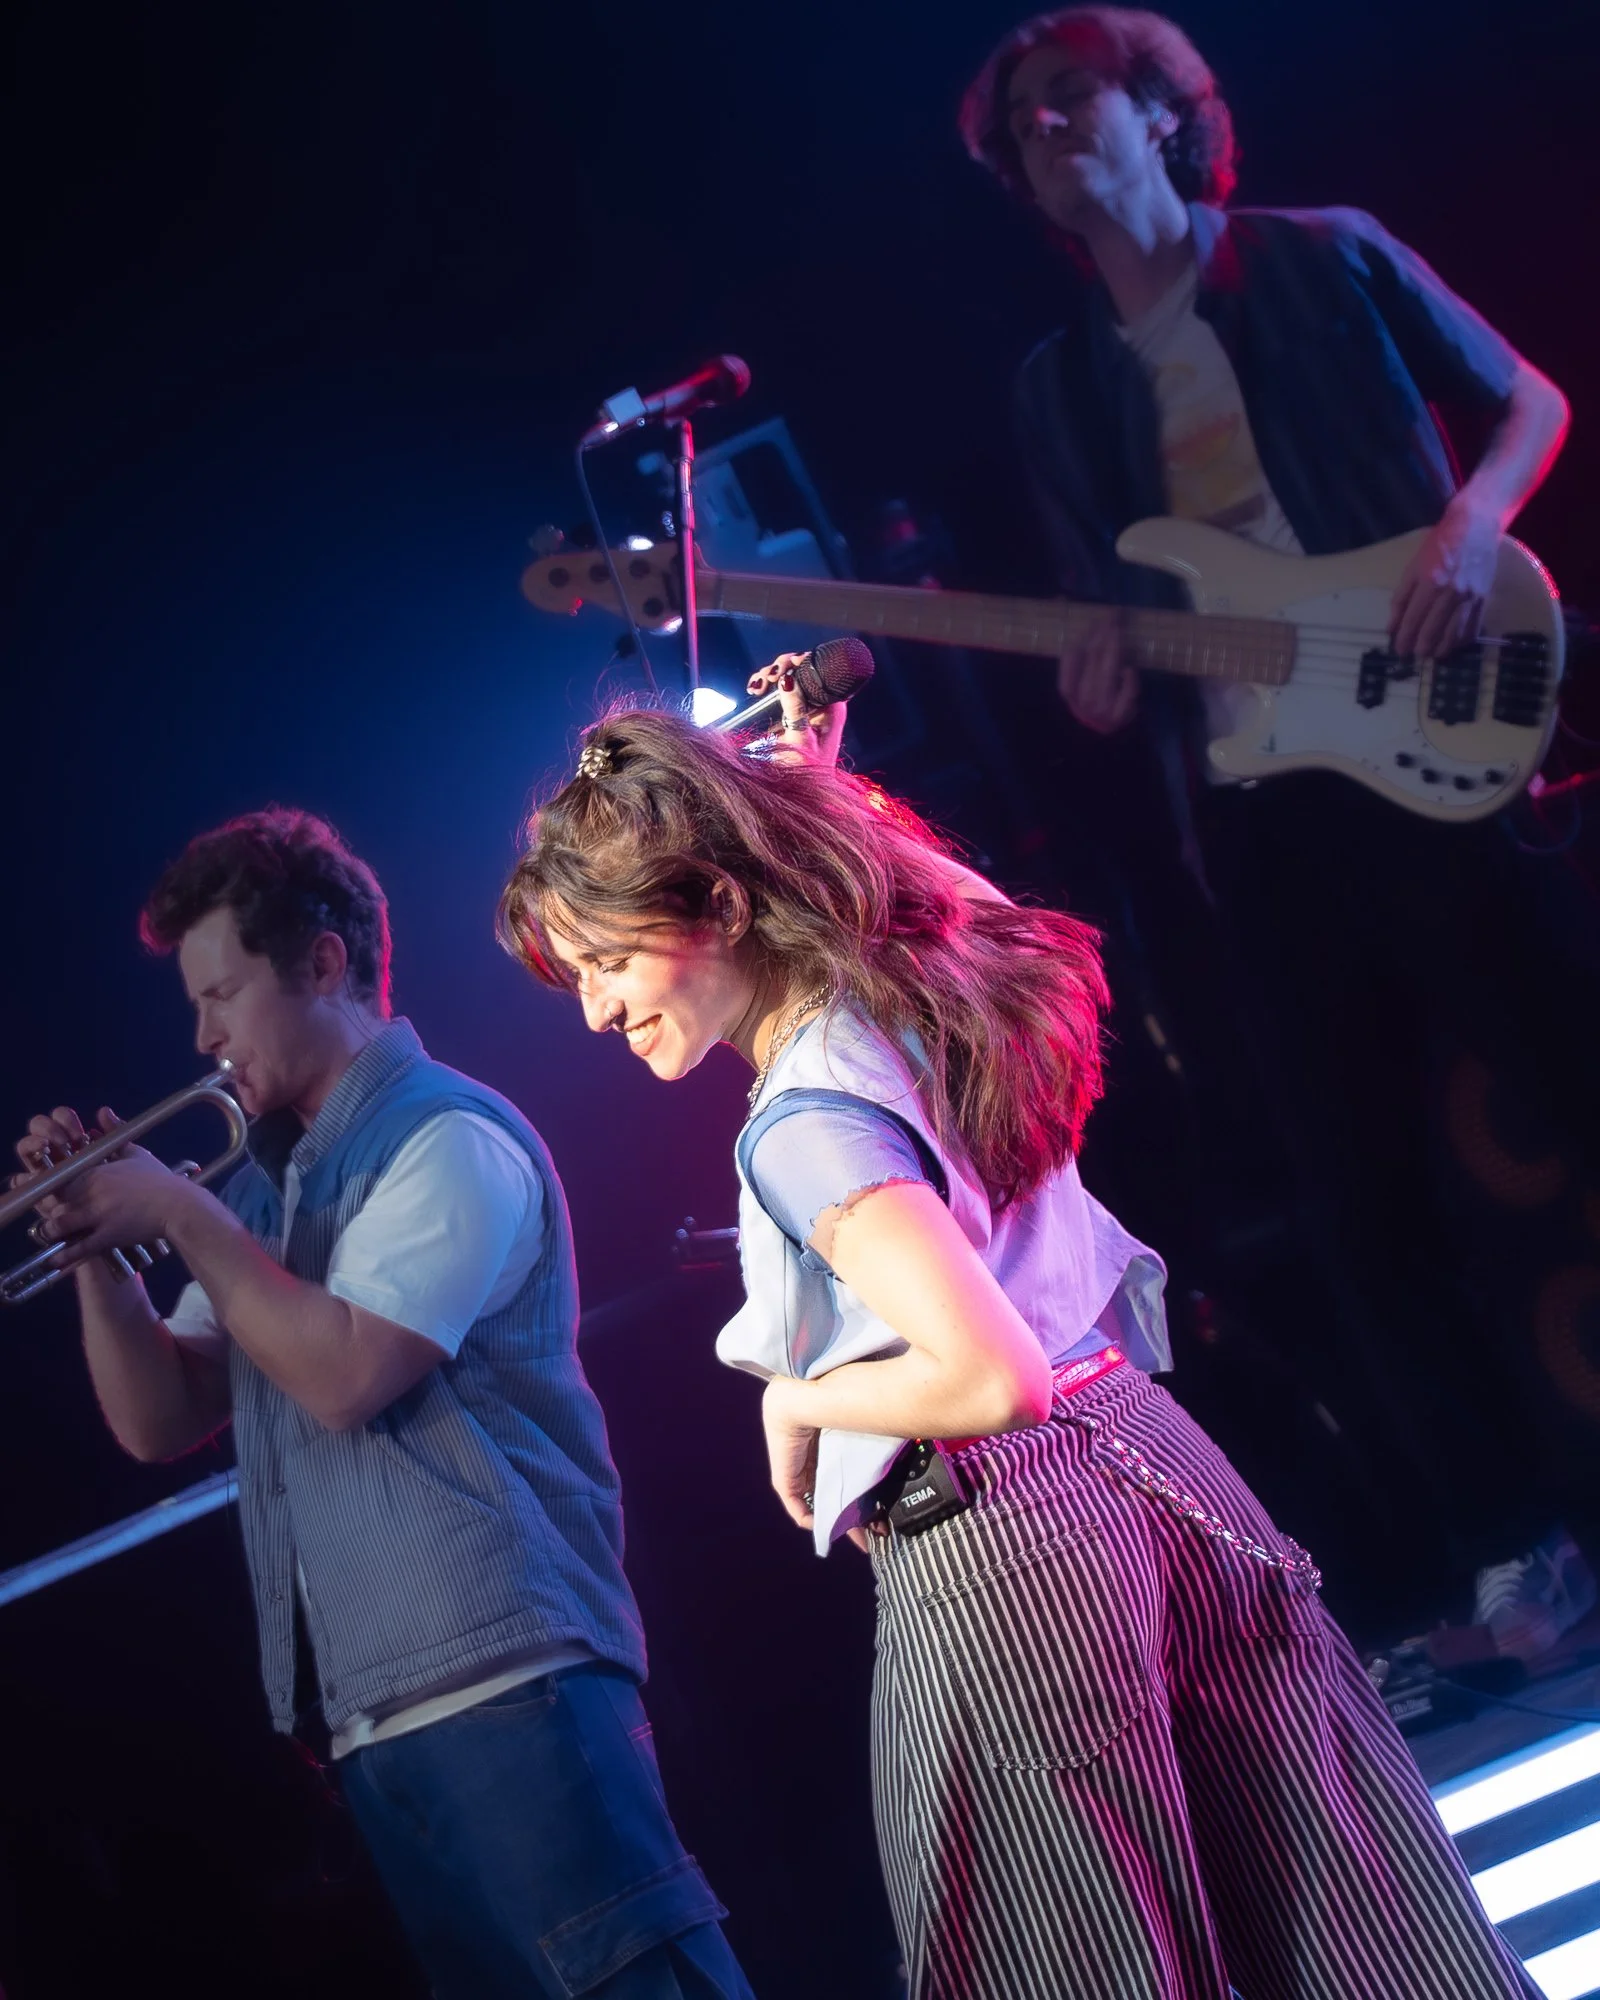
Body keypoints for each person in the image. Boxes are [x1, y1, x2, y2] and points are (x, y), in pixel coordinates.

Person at [497, 695, 1537, 2000]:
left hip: (1007, 1543)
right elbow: (948, 905)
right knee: (1333, 1922)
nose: (594, 1010)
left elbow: (991, 1377)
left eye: (602, 961)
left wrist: (807, 1403)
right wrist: (811, 792)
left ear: (708, 906)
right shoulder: (917, 999)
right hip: (1165, 1474)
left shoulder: (801, 1119)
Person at [958, 5, 1594, 1656]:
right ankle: (1517, 1545)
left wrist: (1464, 530)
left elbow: (1528, 400)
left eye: (1068, 95)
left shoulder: (1324, 258)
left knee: (1566, 1091)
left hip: (1432, 738)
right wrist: (1096, 669)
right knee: (1357, 1195)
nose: (1045, 130)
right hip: (1257, 811)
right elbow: (1117, 613)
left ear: (1165, 112)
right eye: (1020, 122)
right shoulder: (1057, 389)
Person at [12, 807, 753, 2000]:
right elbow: (161, 1417)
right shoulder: (264, 1191)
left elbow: (348, 1370)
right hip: (371, 1725)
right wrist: (100, 1247)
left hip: (514, 1690)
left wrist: (177, 1213)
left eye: (224, 994)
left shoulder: (446, 1136)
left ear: (322, 963)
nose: (205, 1039)